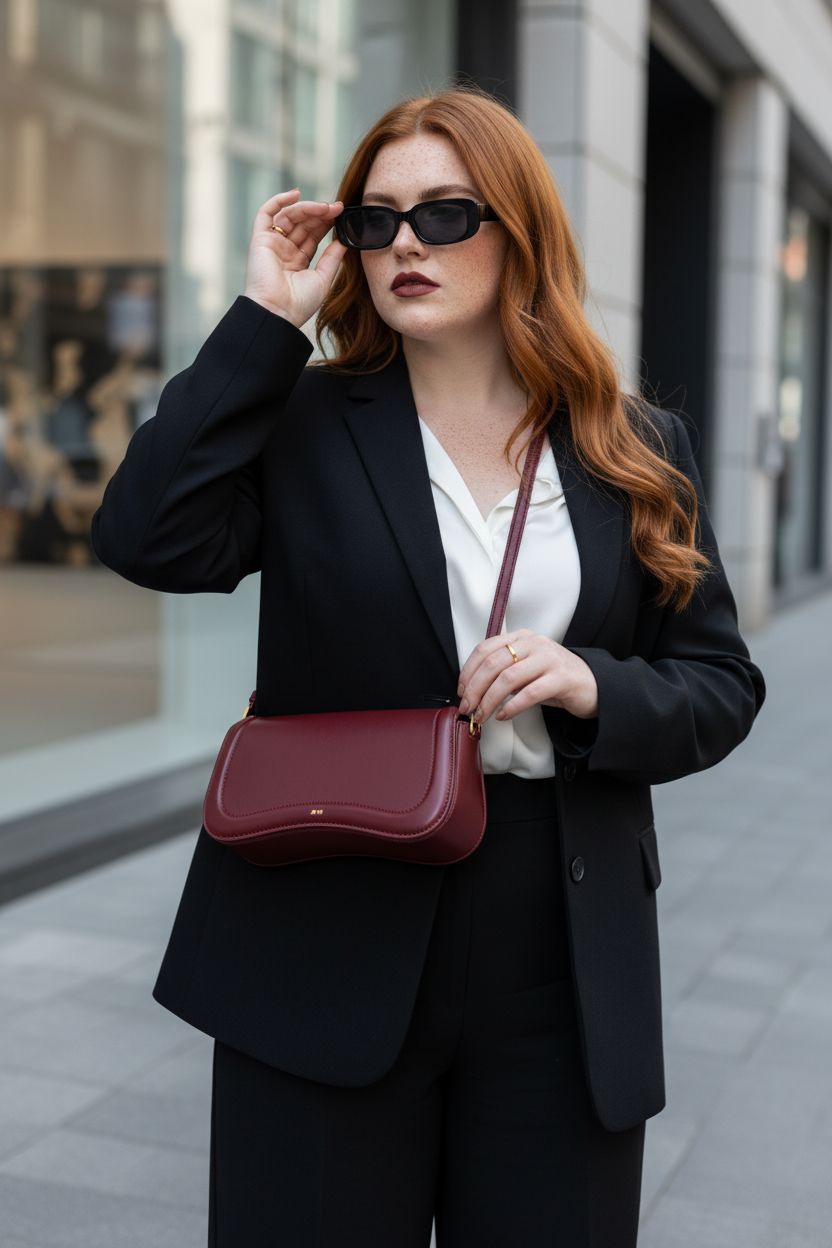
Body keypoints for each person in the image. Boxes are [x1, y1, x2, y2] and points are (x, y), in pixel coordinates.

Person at [90, 84, 766, 1247]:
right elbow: (145, 537)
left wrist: (594, 686)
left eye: (446, 215)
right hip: (323, 922)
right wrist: (265, 319)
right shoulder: (300, 420)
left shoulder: (634, 445)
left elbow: (719, 681)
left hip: (560, 936)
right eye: (374, 220)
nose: (404, 242)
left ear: (520, 232)